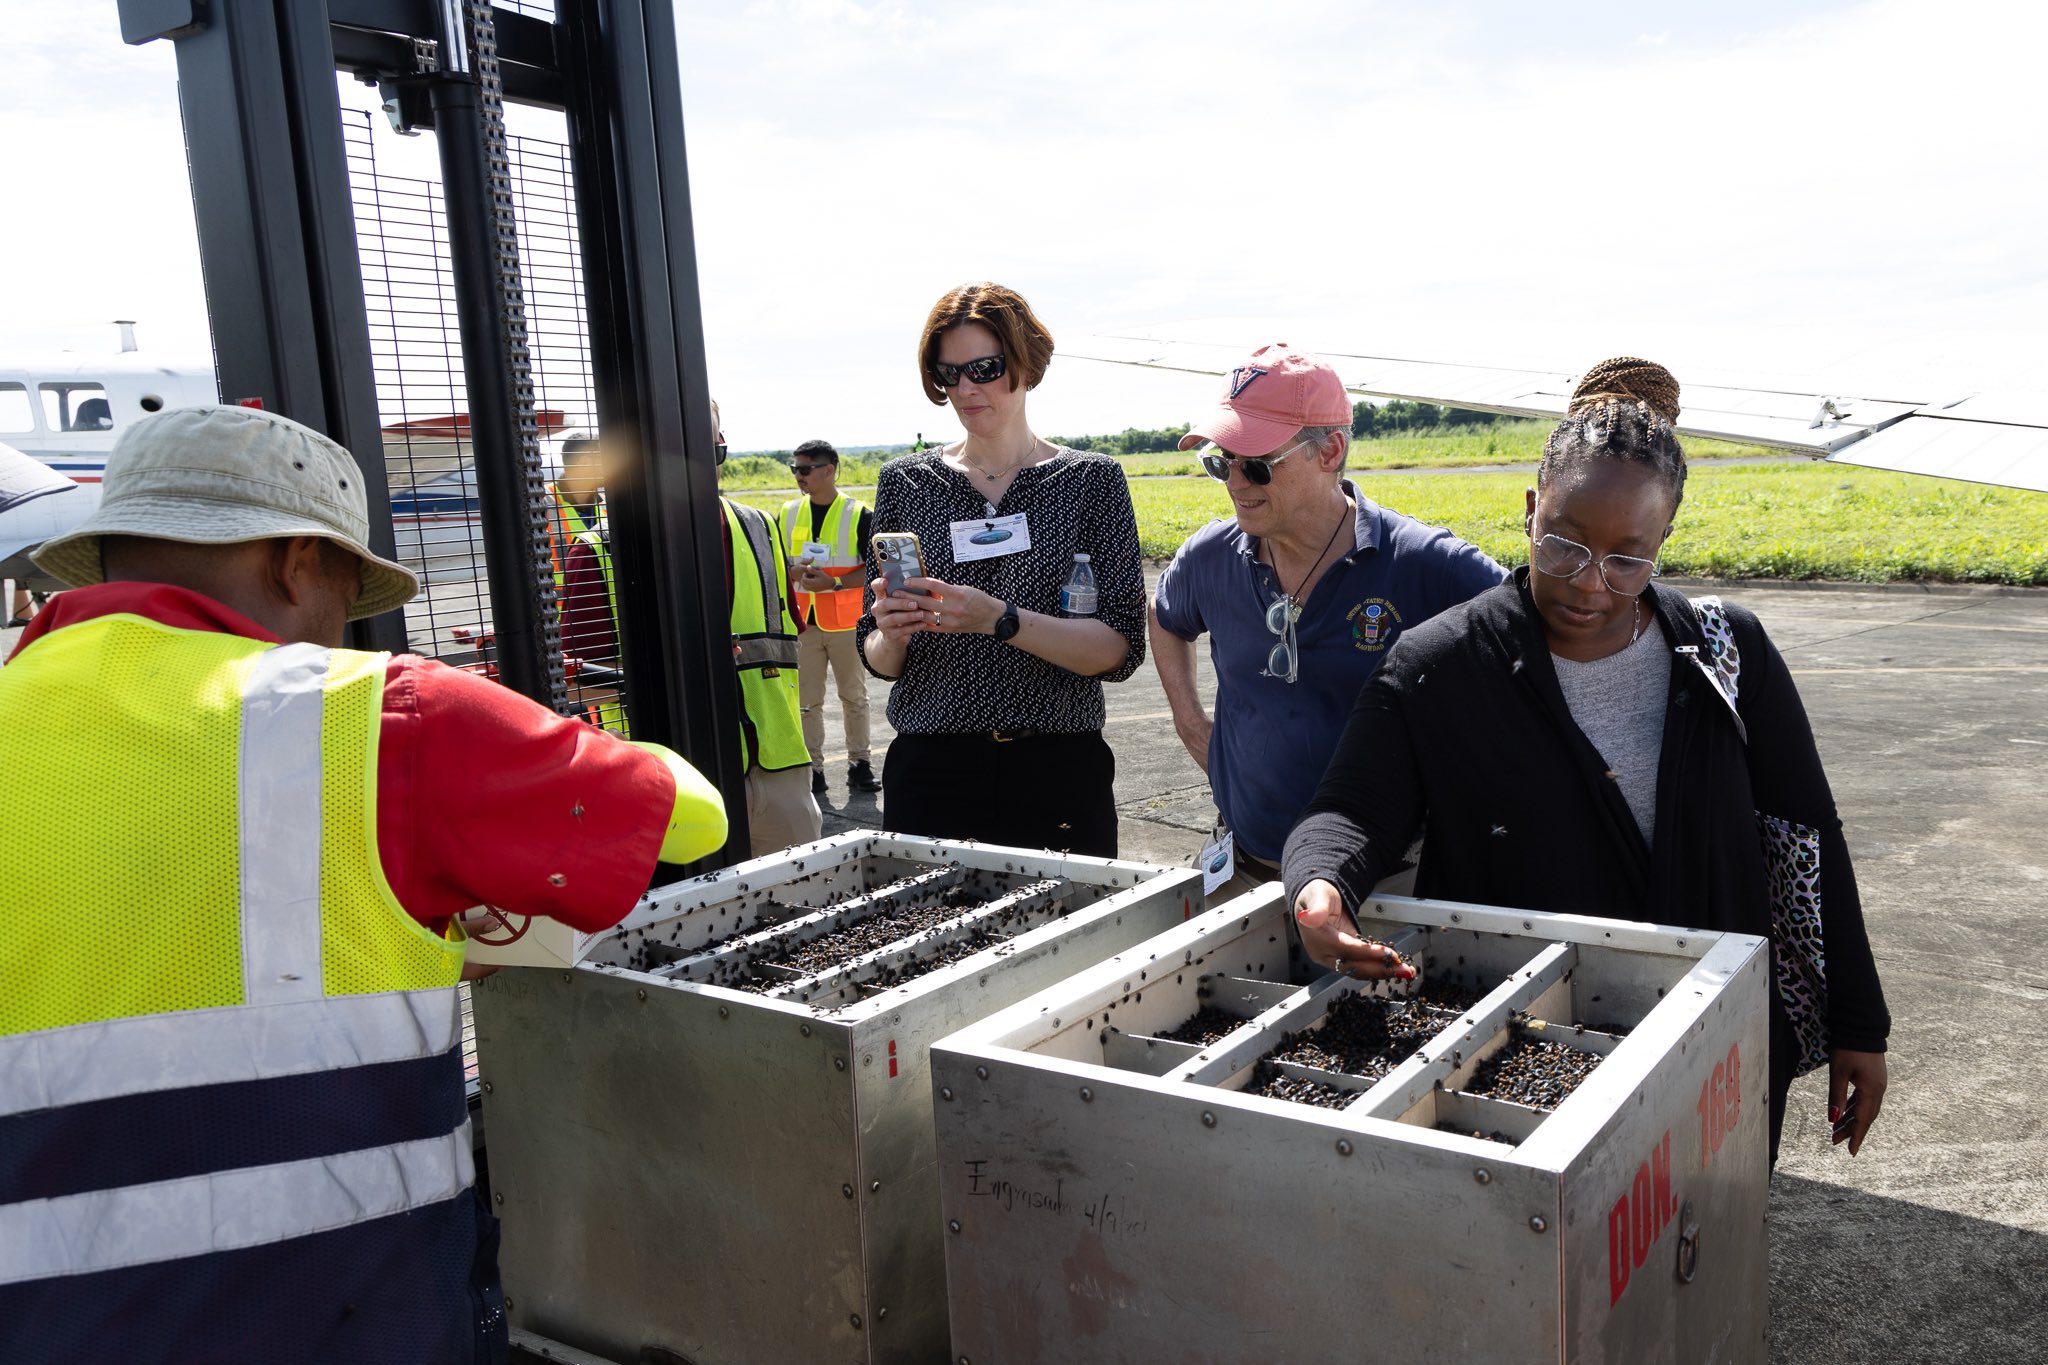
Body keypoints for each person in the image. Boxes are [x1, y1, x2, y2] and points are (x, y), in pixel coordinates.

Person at [0, 404, 726, 1362]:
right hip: (334, 1308)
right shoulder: (380, 716)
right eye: (348, 586)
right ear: (296, 560)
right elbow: (691, 815)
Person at [1282, 358, 1891, 1162]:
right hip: (1520, 1053)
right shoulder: (1438, 664)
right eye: (1564, 543)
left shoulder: (1726, 653)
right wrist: (1320, 886)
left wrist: (1858, 1021)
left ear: (1665, 541)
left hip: (1709, 1041)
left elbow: (1809, 833)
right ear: (1531, 509)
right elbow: (1349, 811)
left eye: (1626, 559)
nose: (1590, 585)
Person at [1150, 344, 1505, 894]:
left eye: (1258, 464)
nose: (1235, 483)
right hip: (1245, 865)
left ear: (1330, 451)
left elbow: (1532, 625)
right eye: (1220, 461)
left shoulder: (1425, 564)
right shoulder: (1209, 556)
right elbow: (1166, 617)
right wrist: (1190, 720)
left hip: (1387, 885)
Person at [858, 282, 1145, 856]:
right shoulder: (906, 482)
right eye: (948, 375)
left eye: (984, 368)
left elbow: (1119, 651)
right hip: (933, 769)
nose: (965, 388)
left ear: (1027, 363)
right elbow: (878, 659)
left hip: (1057, 768)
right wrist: (890, 631)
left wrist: (999, 619)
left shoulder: (1091, 481)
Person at [713, 399, 822, 856]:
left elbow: (786, 638)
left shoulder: (760, 528)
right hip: (670, 776)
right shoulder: (600, 547)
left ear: (720, 446)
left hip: (776, 765)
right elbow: (581, 682)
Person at [778, 439, 881, 797]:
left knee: (854, 697)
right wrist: (791, 572)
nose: (798, 476)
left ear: (828, 470)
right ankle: (814, 769)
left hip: (844, 623)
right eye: (795, 469)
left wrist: (834, 582)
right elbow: (778, 561)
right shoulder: (788, 513)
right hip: (804, 623)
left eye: (804, 469)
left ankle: (860, 765)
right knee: (807, 702)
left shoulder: (859, 514)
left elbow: (875, 569)